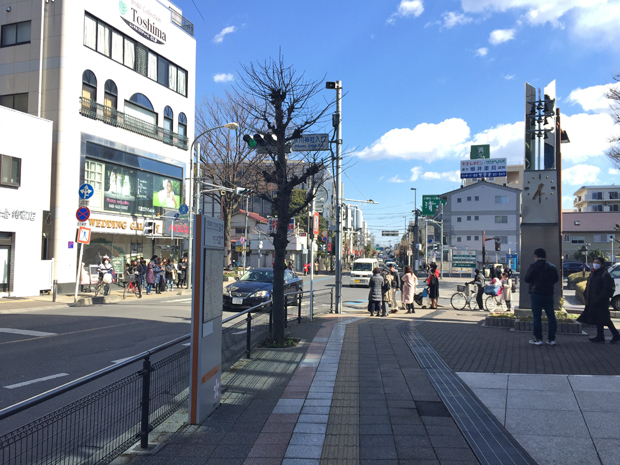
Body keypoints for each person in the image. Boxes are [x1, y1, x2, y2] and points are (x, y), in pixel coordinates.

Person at [578, 257, 619, 343]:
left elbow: (607, 289)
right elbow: (588, 286)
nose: (595, 264)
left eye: (598, 262)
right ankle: (600, 335)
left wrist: (600, 298)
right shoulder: (593, 274)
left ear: (602, 264)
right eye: (594, 262)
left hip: (601, 301)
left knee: (605, 319)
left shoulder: (605, 275)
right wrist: (586, 295)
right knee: (599, 318)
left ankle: (616, 335)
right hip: (592, 300)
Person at [523, 248, 559, 346]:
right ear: (546, 256)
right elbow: (556, 279)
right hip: (548, 294)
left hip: (536, 293)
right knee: (551, 316)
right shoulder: (552, 267)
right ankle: (551, 339)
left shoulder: (533, 266)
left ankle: (538, 338)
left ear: (536, 256)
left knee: (537, 317)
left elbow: (527, 279)